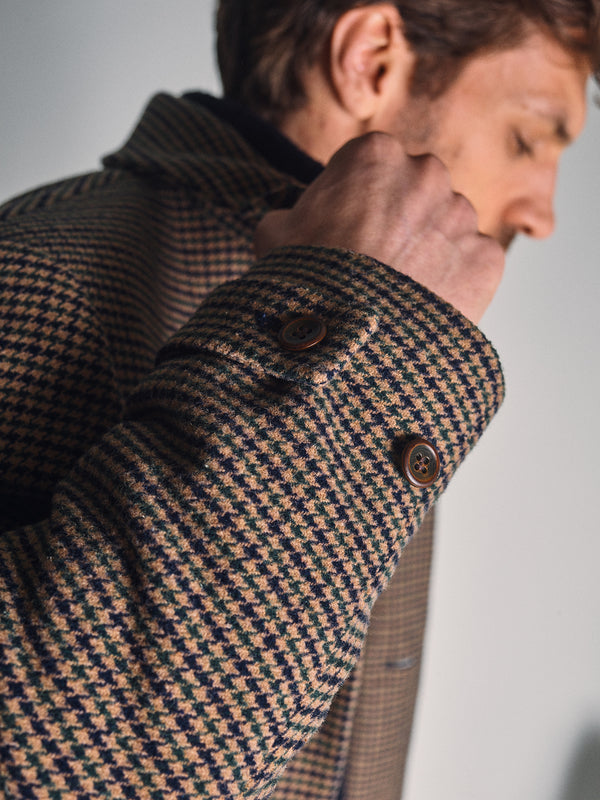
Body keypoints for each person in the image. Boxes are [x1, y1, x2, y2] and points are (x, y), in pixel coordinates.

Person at [0, 1, 597, 798]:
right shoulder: (38, 279)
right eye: (526, 138)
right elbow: (64, 755)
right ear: (371, 58)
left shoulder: (381, 337)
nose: (543, 213)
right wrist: (353, 314)